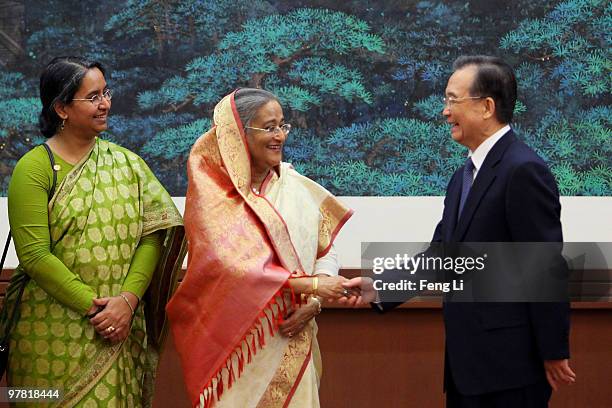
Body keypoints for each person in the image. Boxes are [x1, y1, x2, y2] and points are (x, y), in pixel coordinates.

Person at [345, 55, 575, 407]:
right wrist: (380, 286)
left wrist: (553, 349)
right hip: (468, 365)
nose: (445, 111)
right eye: (445, 101)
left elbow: (544, 266)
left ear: (486, 106)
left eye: (453, 100)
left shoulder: (523, 170)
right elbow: (443, 257)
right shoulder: (463, 177)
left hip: (512, 368)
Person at [3, 56, 185, 406]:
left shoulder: (128, 164)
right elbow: (35, 255)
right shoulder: (34, 168)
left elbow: (154, 234)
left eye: (106, 93)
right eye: (93, 97)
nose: (105, 104)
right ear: (61, 108)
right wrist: (96, 310)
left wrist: (127, 303)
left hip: (118, 331)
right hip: (48, 335)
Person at [166, 88, 354, 408]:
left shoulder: (296, 188)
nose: (279, 136)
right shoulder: (214, 199)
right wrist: (313, 285)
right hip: (236, 349)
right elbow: (230, 269)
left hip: (293, 334)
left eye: (282, 126)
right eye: (268, 127)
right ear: (238, 133)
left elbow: (325, 251)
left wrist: (314, 301)